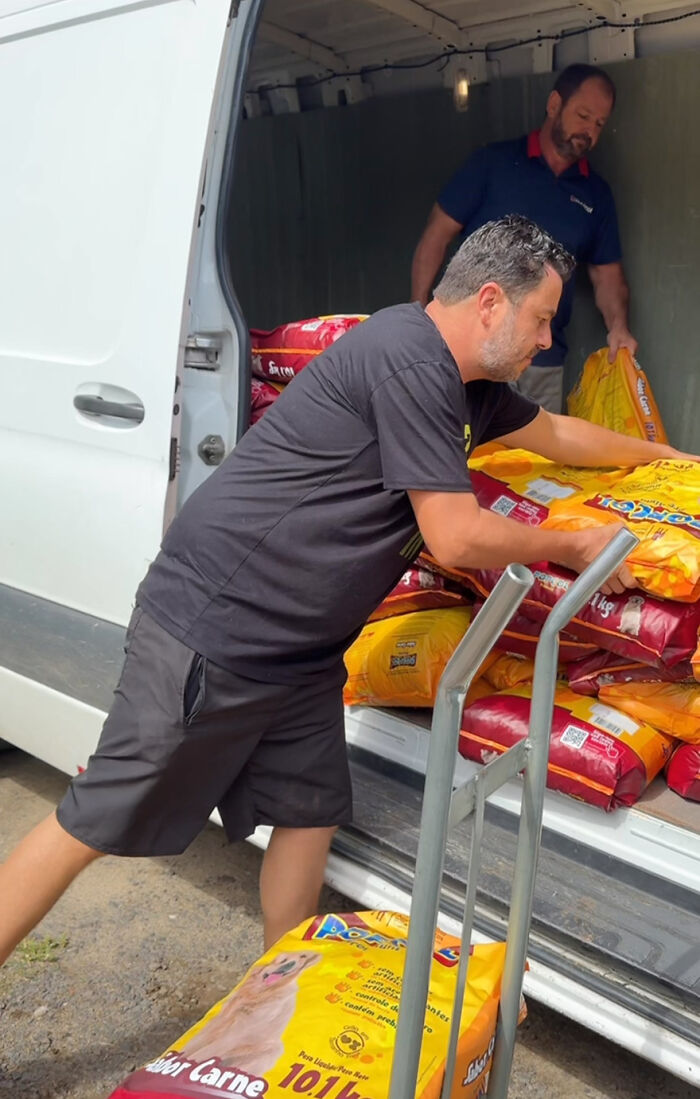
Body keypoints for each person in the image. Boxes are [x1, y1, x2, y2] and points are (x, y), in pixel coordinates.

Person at [0, 217, 688, 970]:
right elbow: (454, 536)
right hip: (216, 626)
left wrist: (673, 461)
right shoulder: (410, 360)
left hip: (300, 652)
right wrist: (574, 541)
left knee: (309, 813)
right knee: (94, 821)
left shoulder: (475, 386)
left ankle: (273, 998)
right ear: (490, 301)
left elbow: (557, 433)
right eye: (542, 318)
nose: (548, 340)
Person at [411, 63, 637, 414]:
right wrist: (419, 311)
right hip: (473, 348)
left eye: (599, 124)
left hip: (541, 357)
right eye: (583, 115)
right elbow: (435, 235)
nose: (589, 130)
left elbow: (607, 277)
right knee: (462, 453)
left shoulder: (596, 194)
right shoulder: (492, 163)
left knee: (533, 465)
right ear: (553, 105)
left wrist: (619, 328)